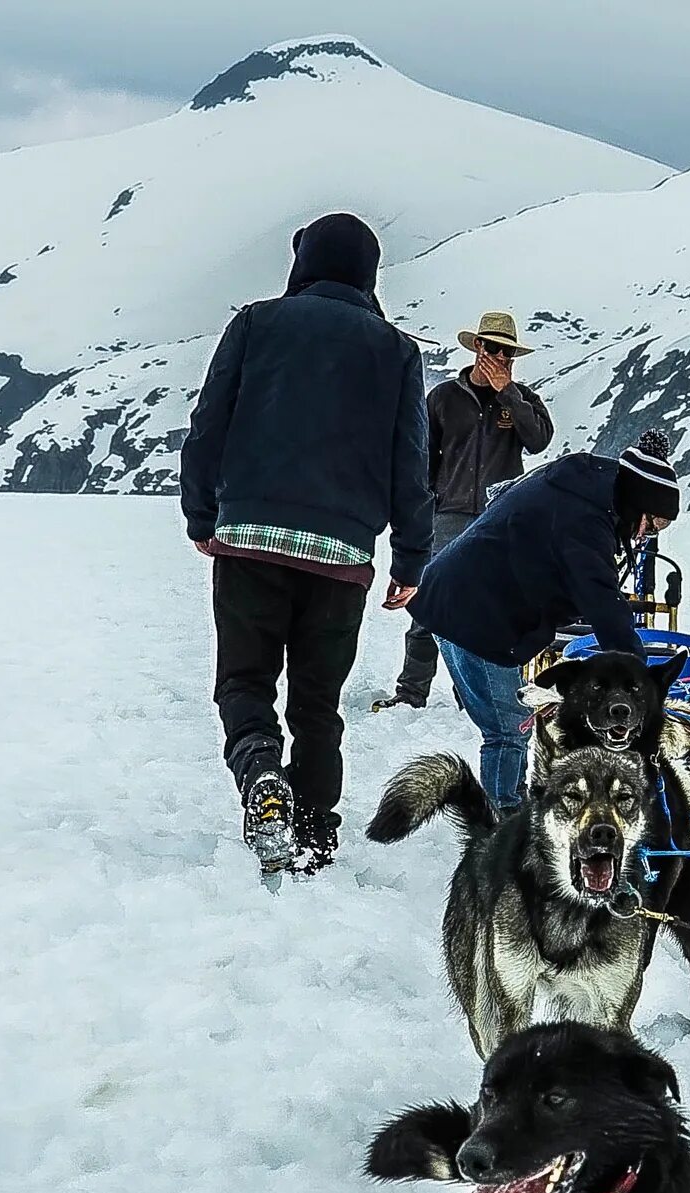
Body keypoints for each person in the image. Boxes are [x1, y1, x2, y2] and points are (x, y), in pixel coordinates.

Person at [179, 211, 433, 877]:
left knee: (244, 681)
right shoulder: (398, 351)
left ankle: (261, 769)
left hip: (250, 541)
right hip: (341, 557)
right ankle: (316, 833)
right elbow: (412, 465)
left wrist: (202, 516)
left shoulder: (257, 323)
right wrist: (409, 560)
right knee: (318, 706)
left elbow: (208, 427)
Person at [406, 429, 684, 809]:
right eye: (652, 526)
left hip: (466, 601)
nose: (647, 536)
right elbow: (602, 600)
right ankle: (502, 826)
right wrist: (641, 677)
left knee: (509, 724)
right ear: (641, 504)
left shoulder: (590, 488)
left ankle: (508, 809)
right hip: (474, 616)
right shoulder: (585, 519)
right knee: (507, 729)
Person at [378, 309, 554, 710]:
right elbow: (422, 458)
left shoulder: (522, 399)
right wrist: (423, 509)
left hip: (499, 518)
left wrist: (508, 391)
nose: (499, 358)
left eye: (507, 353)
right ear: (477, 347)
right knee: (428, 602)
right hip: (448, 515)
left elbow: (540, 440)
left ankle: (472, 697)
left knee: (490, 608)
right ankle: (411, 693)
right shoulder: (442, 398)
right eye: (493, 348)